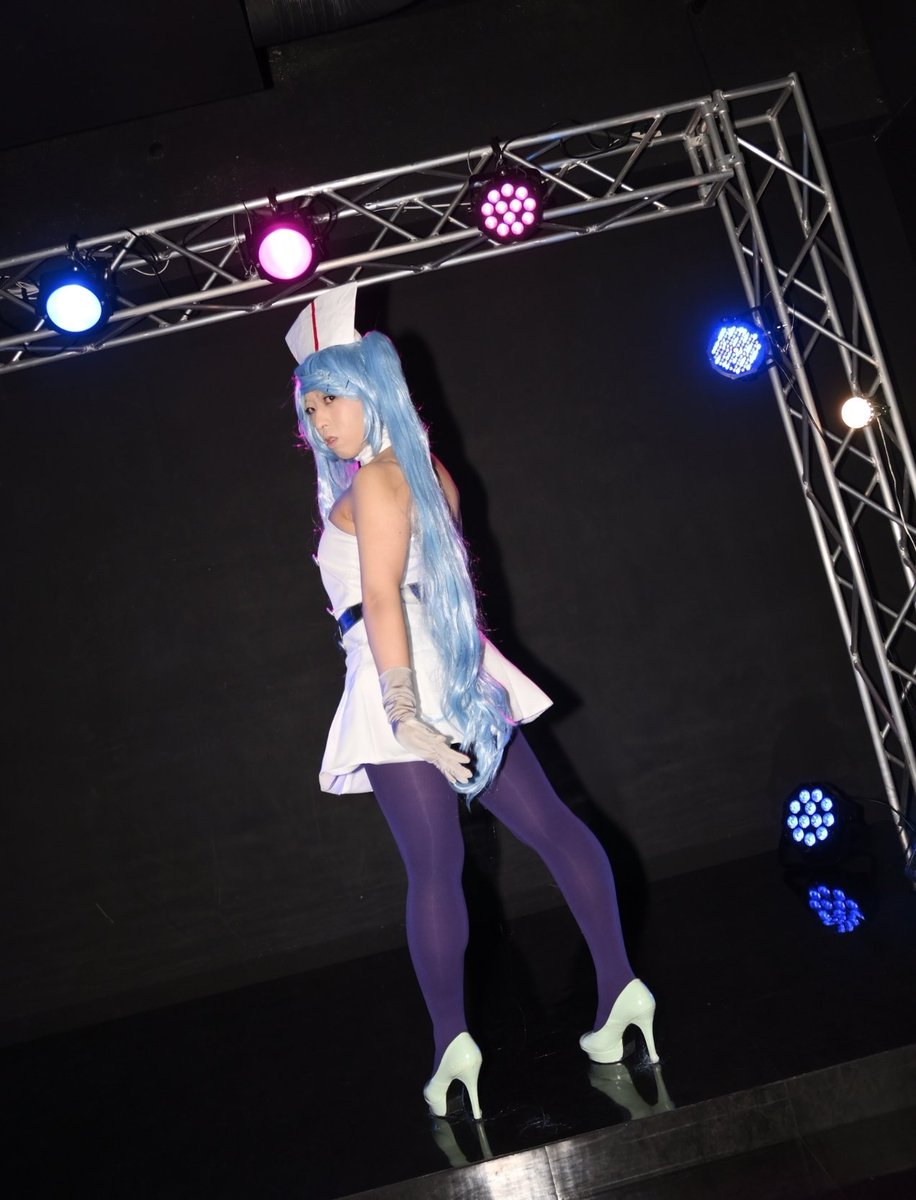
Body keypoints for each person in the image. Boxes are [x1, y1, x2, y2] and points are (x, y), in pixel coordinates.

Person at [290, 287, 658, 1121]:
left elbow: (382, 598)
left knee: (434, 868)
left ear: (371, 387)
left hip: (401, 671)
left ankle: (451, 1046)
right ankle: (621, 991)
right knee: (554, 827)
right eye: (310, 407)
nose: (319, 420)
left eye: (331, 398)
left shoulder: (373, 483)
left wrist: (402, 709)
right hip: (459, 667)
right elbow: (440, 587)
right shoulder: (430, 474)